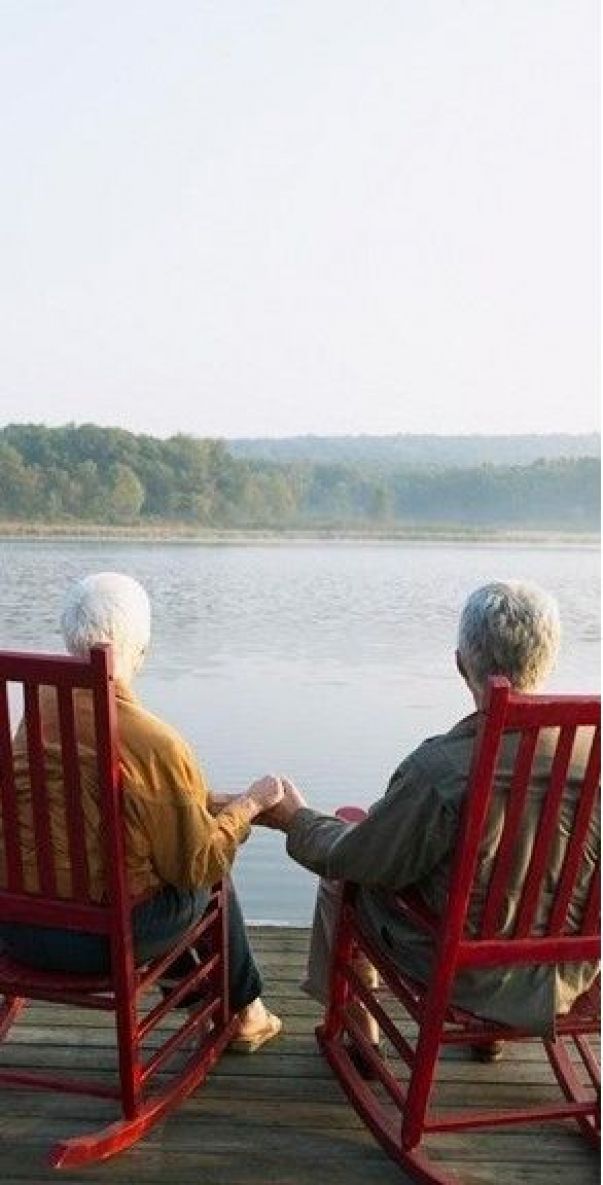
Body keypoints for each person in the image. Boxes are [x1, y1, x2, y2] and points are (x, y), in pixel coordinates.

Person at [258, 580, 600, 1061]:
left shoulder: (442, 770)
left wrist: (295, 820)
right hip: (575, 973)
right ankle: (491, 1035)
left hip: (464, 974)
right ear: (549, 659)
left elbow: (361, 860)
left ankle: (361, 1034)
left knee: (345, 878)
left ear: (461, 664)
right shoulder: (593, 753)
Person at [0, 571, 283, 1052]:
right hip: (99, 947)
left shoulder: (36, 710)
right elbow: (198, 864)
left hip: (15, 931)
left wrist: (207, 801)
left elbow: (97, 802)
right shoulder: (157, 744)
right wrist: (248, 807)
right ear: (143, 649)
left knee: (136, 866)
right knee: (212, 875)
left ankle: (198, 998)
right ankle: (247, 1012)